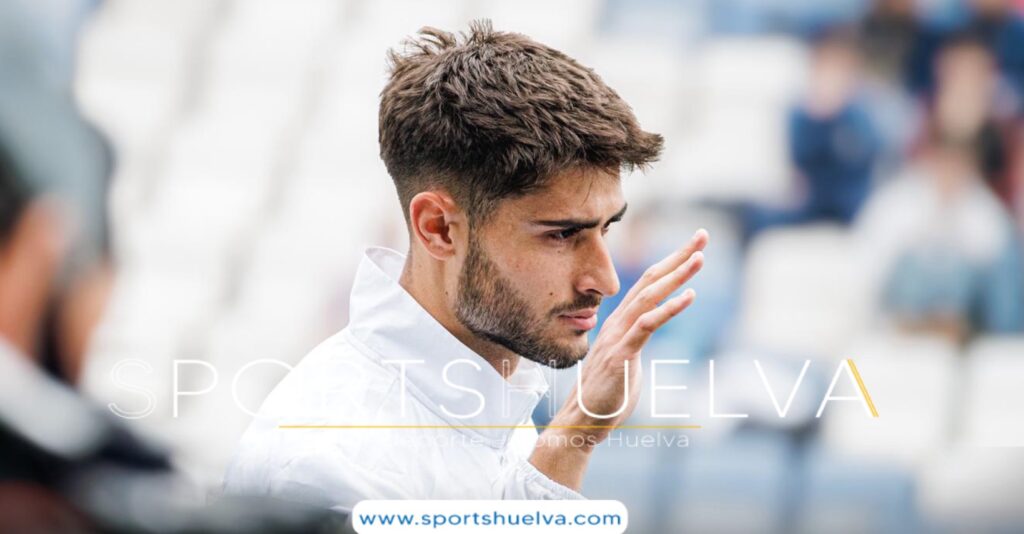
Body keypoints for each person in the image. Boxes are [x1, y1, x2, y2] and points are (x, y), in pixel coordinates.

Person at [224, 21, 707, 508]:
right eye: (562, 235)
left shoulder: (489, 382)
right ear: (438, 228)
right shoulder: (329, 465)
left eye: (606, 228)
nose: (606, 280)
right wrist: (571, 441)